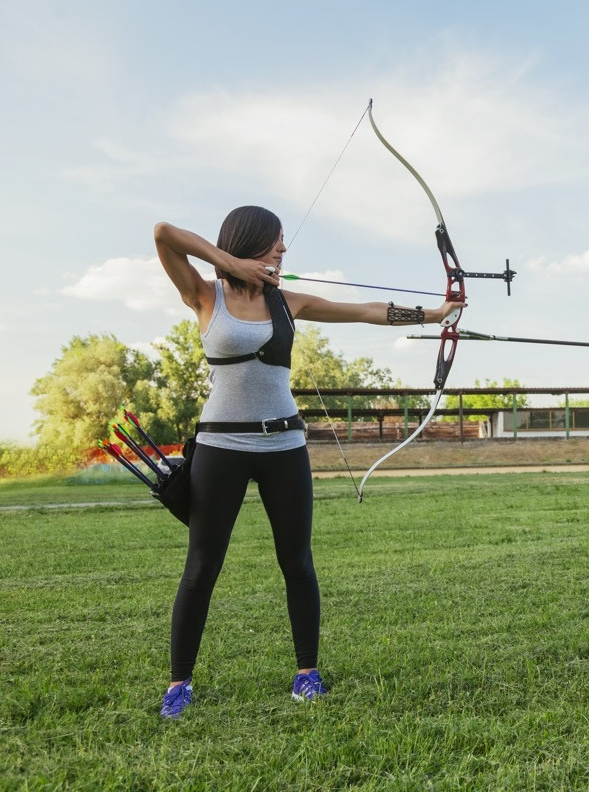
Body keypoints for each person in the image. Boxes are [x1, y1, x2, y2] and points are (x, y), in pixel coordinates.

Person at [153, 205, 461, 719]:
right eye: (275, 241)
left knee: (297, 562)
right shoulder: (205, 295)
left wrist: (433, 315)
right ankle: (179, 683)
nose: (282, 249)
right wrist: (230, 263)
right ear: (249, 241)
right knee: (202, 567)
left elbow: (364, 311)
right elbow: (164, 234)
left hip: (284, 448)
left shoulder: (286, 302)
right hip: (221, 448)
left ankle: (306, 674)